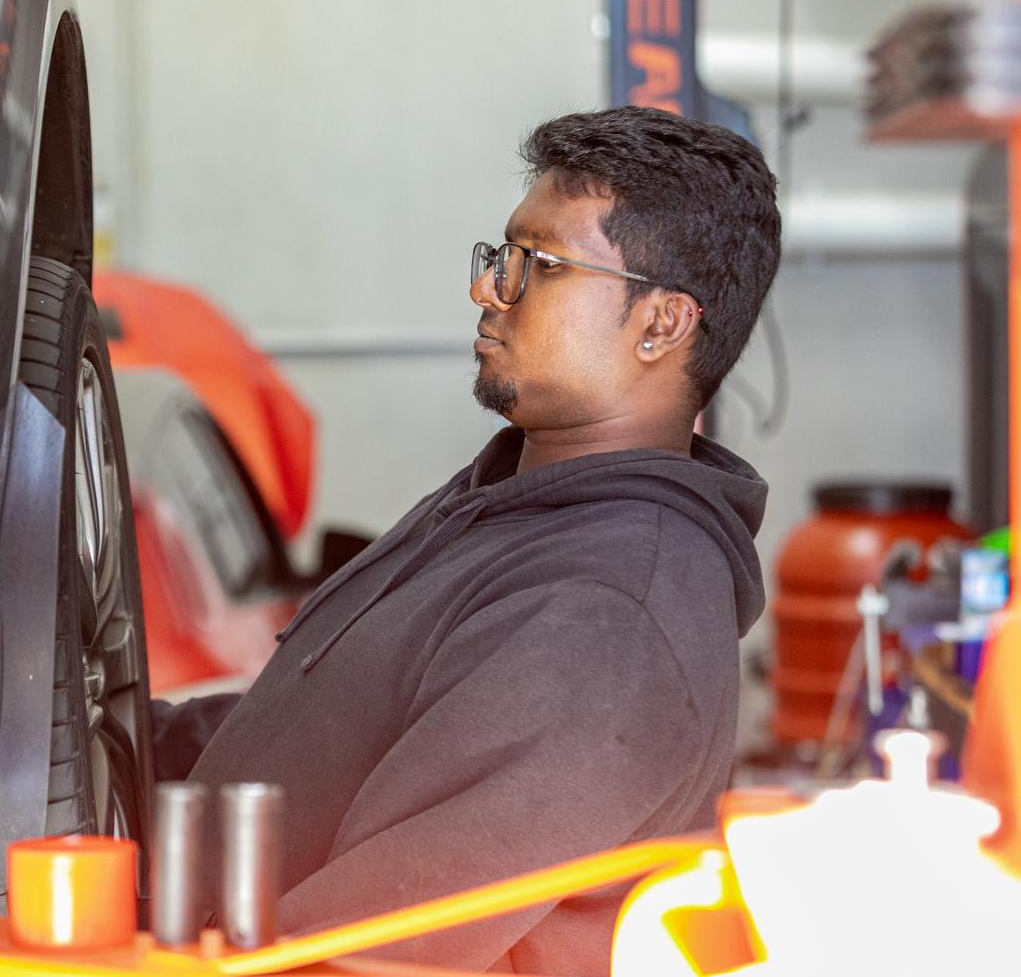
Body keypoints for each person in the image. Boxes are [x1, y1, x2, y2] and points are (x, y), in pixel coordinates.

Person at [156, 106, 781, 975]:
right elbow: (340, 726)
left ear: (662, 324)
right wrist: (121, 744)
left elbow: (377, 953)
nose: (490, 289)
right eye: (501, 258)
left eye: (540, 267)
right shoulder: (513, 503)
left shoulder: (608, 613)